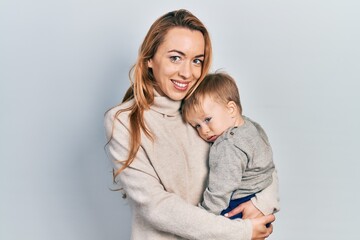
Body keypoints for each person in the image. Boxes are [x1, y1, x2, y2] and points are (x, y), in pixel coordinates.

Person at [104, 9, 280, 240]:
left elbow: (257, 159)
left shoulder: (204, 106)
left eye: (197, 60)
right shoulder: (123, 121)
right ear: (149, 59)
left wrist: (262, 204)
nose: (187, 73)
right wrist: (242, 231)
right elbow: (157, 207)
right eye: (175, 57)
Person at [182, 72, 278, 221]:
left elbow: (220, 191)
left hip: (236, 205)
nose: (204, 131)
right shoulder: (251, 126)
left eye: (207, 119)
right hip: (260, 196)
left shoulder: (227, 145)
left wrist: (202, 218)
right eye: (197, 126)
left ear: (231, 109)